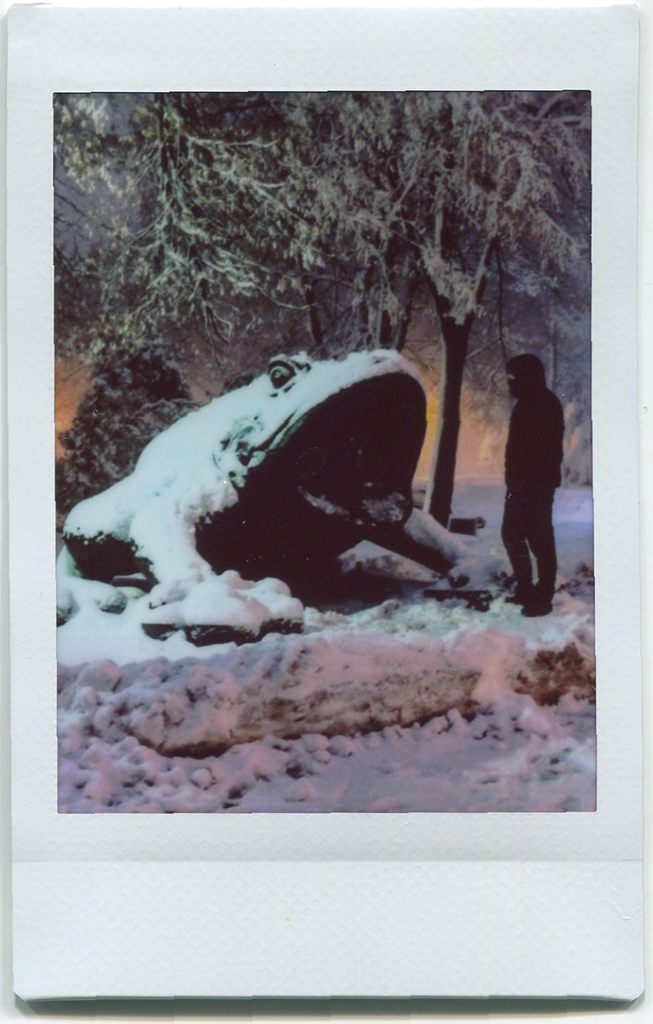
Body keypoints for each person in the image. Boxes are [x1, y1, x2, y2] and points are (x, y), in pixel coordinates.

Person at [501, 354, 565, 617]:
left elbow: (543, 451)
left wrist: (526, 481)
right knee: (513, 534)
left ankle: (543, 596)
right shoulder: (531, 402)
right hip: (522, 484)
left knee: (538, 538)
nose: (510, 384)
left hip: (535, 485)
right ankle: (527, 589)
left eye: (513, 378)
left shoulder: (542, 404)